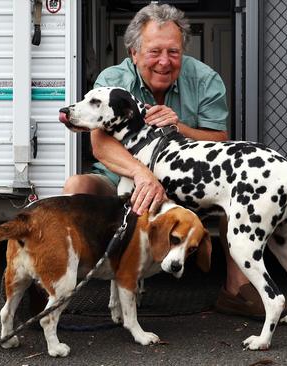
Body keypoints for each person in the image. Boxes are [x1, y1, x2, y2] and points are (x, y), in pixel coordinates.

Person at [62, 3, 264, 318]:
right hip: (121, 179)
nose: (164, 62)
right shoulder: (112, 80)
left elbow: (220, 140)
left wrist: (178, 128)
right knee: (77, 186)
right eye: (155, 52)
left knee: (236, 193)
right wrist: (143, 175)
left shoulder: (205, 79)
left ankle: (236, 289)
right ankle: (65, 281)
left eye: (174, 52)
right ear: (134, 52)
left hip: (186, 185)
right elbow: (100, 144)